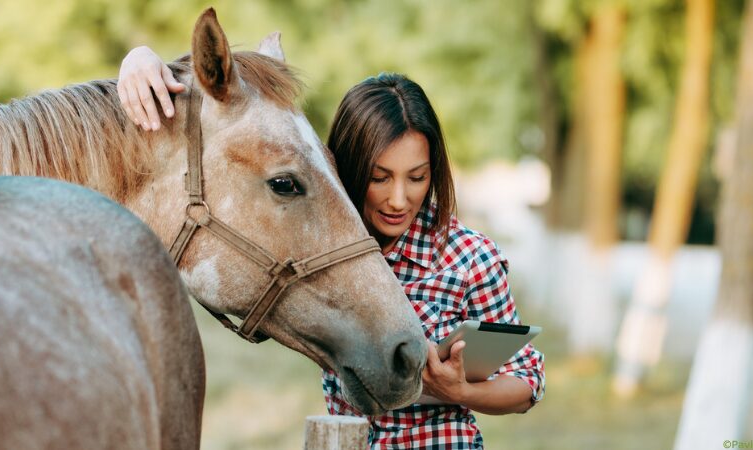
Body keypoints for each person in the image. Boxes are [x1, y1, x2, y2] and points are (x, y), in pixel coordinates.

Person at [118, 46, 545, 449]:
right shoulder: (326, 245)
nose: (399, 199)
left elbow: (527, 382)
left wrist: (461, 390)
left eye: (417, 178)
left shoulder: (468, 257)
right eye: (380, 178)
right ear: (351, 165)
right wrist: (140, 61)